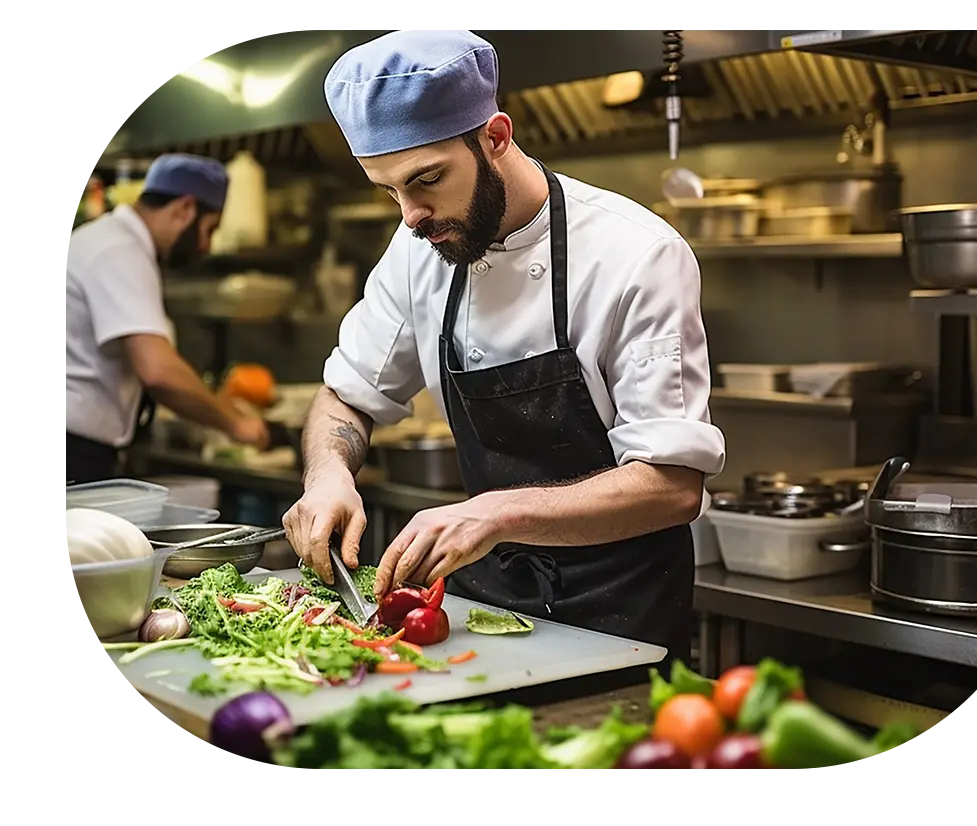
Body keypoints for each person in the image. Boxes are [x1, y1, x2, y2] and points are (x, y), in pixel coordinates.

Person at [282, 29, 726, 664]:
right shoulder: (417, 250)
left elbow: (672, 486)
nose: (411, 215)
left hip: (621, 613)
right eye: (389, 191)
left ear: (495, 137)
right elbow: (346, 395)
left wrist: (495, 514)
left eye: (427, 180)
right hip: (477, 609)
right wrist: (327, 475)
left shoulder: (636, 255)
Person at [64, 153, 270, 485]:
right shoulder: (119, 251)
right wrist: (236, 424)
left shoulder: (106, 239)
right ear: (184, 209)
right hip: (71, 454)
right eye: (209, 229)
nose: (206, 245)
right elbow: (159, 371)